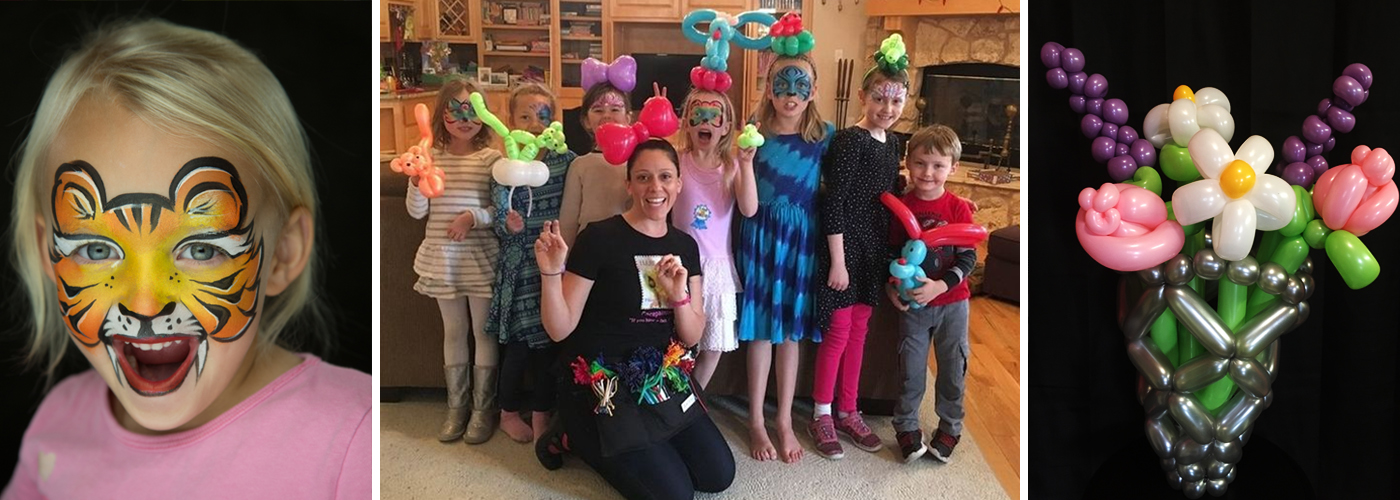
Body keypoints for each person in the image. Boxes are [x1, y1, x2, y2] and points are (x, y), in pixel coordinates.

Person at [2, 19, 368, 498]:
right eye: (96, 250)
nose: (146, 303)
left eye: (200, 249)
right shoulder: (57, 428)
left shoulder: (353, 439)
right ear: (49, 256)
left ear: (283, 252)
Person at [533, 129, 735, 499]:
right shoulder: (600, 238)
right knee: (676, 495)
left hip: (659, 377)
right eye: (642, 177)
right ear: (629, 184)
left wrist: (678, 299)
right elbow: (560, 330)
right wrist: (550, 273)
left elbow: (691, 337)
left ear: (677, 184)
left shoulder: (684, 246)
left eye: (664, 177)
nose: (654, 187)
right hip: (602, 382)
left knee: (717, 475)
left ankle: (638, 441)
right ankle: (570, 436)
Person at [809, 34, 910, 460]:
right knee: (838, 332)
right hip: (843, 248)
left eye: (896, 101)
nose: (887, 109)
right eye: (879, 99)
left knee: (861, 333)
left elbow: (890, 198)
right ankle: (822, 413)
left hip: (874, 249)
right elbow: (834, 200)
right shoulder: (850, 141)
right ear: (862, 96)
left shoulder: (897, 144)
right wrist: (837, 260)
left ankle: (850, 409)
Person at [739, 47, 834, 463]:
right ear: (768, 89)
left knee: (790, 333)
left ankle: (784, 421)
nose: (790, 95)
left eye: (800, 87)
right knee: (762, 330)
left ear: (813, 91)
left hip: (801, 243)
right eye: (781, 86)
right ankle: (757, 420)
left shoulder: (824, 136)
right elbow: (740, 189)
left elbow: (841, 189)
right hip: (760, 238)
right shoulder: (754, 132)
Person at [403, 77, 503, 444]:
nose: (465, 119)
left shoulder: (491, 159)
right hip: (443, 260)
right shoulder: (432, 157)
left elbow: (500, 209)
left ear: (484, 115)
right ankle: (456, 407)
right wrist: (416, 180)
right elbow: (416, 212)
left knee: (483, 331)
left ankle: (482, 409)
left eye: (472, 110)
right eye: (455, 110)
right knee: (454, 331)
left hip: (479, 257)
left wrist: (473, 217)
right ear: (440, 115)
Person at [486, 82, 579, 442]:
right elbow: (497, 216)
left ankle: (542, 413)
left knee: (549, 349)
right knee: (519, 349)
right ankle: (508, 411)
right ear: (510, 120)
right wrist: (507, 225)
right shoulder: (504, 166)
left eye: (543, 115)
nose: (534, 123)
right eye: (524, 115)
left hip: (553, 265)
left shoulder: (566, 161)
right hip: (518, 265)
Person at [887, 124, 977, 463]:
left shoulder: (958, 208)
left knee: (953, 367)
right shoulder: (901, 206)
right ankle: (906, 425)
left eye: (938, 165)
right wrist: (891, 285)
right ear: (909, 163)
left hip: (952, 303)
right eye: (921, 163)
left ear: (953, 168)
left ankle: (950, 427)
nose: (928, 172)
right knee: (911, 367)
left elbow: (969, 256)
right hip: (913, 306)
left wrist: (941, 285)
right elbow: (893, 252)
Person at [672, 89, 758, 389]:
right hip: (679, 267)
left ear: (726, 126)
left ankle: (693, 401)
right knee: (676, 341)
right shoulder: (677, 161)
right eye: (698, 114)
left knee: (713, 345)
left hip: (717, 268)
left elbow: (749, 209)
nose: (705, 121)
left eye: (713, 116)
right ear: (687, 123)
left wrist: (746, 164)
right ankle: (671, 398)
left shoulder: (732, 166)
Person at [558, 57, 634, 247]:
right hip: (589, 248)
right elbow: (568, 220)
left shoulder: (639, 161)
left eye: (615, 109)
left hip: (629, 247)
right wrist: (564, 261)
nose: (607, 115)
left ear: (628, 117)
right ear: (585, 120)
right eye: (598, 110)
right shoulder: (580, 165)